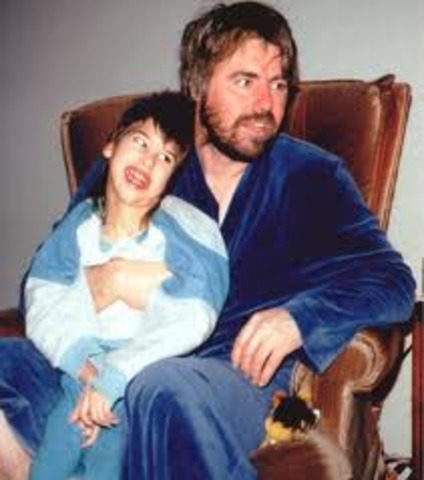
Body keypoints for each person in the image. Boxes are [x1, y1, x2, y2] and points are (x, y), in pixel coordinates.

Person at [0, 2, 416, 480]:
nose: (266, 104)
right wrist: (103, 282)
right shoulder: (139, 165)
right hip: (107, 361)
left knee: (162, 388)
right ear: (197, 85)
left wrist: (299, 319)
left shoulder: (311, 177)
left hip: (228, 377)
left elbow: (393, 282)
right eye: (245, 81)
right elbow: (42, 280)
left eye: (279, 84)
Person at [16, 91, 229, 480]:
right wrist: (85, 370)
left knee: (105, 467)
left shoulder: (181, 230)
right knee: (47, 468)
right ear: (111, 145)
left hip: (134, 382)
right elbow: (43, 294)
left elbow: (193, 314)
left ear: (171, 179)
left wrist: (113, 379)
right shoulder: (78, 225)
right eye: (140, 142)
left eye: (166, 158)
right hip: (77, 373)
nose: (148, 161)